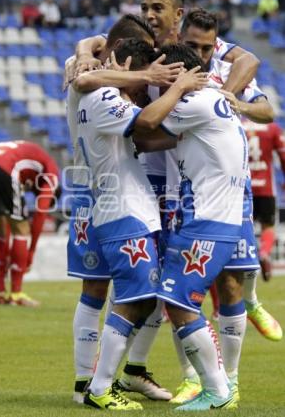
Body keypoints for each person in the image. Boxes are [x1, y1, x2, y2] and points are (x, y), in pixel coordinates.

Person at [66, 0, 262, 402]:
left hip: (187, 189)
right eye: (145, 7)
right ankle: (101, 380)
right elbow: (93, 50)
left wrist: (226, 99)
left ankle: (206, 378)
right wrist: (89, 54)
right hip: (134, 183)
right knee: (120, 287)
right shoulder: (130, 47)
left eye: (159, 8)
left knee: (185, 288)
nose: (151, 14)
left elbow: (249, 58)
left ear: (179, 13)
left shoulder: (196, 50)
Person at [75, 39, 206, 410]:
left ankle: (104, 383)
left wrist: (185, 134)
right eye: (143, 80)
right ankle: (100, 388)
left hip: (127, 209)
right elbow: (147, 122)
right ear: (130, 65)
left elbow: (145, 141)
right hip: (124, 213)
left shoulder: (101, 100)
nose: (143, 90)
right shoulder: (105, 98)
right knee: (137, 299)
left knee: (144, 300)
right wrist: (179, 87)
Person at [155, 43, 248, 411]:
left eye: (166, 75)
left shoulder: (193, 103)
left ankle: (217, 389)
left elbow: (145, 127)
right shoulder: (214, 101)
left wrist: (174, 89)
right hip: (218, 217)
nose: (160, 83)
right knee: (178, 300)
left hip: (208, 220)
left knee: (179, 301)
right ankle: (218, 386)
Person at [0, 140, 60, 306]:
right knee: (21, 230)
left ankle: (1, 294)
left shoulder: (30, 161)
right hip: (3, 168)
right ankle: (17, 295)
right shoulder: (52, 173)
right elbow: (40, 214)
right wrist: (31, 252)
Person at [242, 120, 285, 281]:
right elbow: (283, 154)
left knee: (245, 226)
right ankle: (265, 253)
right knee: (268, 226)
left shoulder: (239, 124)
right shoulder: (272, 128)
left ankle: (245, 261)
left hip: (243, 186)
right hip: (266, 187)